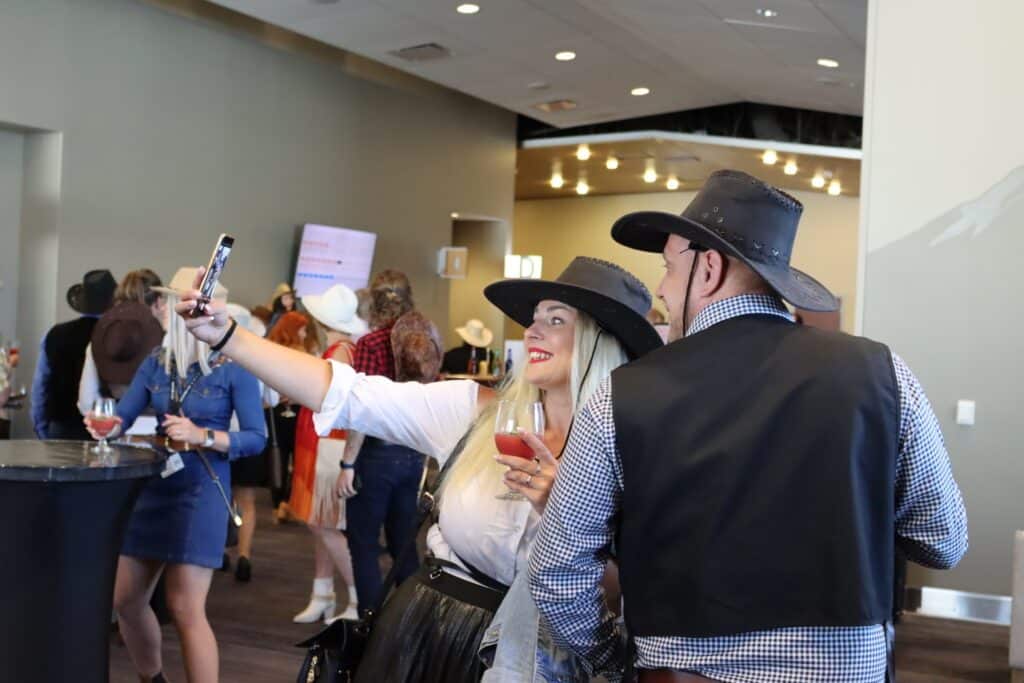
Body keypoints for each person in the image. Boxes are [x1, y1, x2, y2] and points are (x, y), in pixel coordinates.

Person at [529, 170, 970, 682]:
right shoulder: (884, 374)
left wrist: (616, 659)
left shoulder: (620, 396)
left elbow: (557, 574)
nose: (662, 289)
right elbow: (945, 541)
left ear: (709, 268)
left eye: (669, 267)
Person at [174, 256, 662, 683]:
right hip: (426, 632)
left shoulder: (637, 456)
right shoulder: (474, 412)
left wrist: (566, 515)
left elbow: (635, 590)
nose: (532, 331)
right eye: (534, 319)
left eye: (556, 320)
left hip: (538, 660)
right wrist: (230, 337)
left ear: (603, 340)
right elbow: (347, 393)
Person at [85, 267, 265, 683]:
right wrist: (106, 424)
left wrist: (204, 435)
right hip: (155, 487)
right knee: (124, 600)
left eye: (171, 302)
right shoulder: (155, 362)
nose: (163, 309)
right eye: (166, 301)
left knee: (185, 607)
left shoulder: (234, 366)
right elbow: (124, 416)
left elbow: (256, 438)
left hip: (201, 489)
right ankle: (154, 679)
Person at [336, 311, 441, 616]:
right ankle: (410, 619)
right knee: (404, 545)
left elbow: (362, 409)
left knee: (364, 543)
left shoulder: (371, 344)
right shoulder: (426, 338)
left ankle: (369, 624)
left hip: (376, 455)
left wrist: (347, 464)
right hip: (412, 455)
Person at [287, 284, 367, 624]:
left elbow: (330, 402)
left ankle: (358, 597)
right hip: (322, 443)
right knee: (321, 523)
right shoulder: (342, 349)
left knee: (326, 525)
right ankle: (323, 594)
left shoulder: (338, 353)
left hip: (327, 446)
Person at [78, 269, 167, 435]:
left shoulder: (100, 339)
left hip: (116, 428)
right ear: (158, 302)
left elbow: (86, 401)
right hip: (161, 432)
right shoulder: (168, 344)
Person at [32, 269, 117, 439]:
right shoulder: (117, 335)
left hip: (60, 427)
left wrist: (40, 426)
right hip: (103, 428)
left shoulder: (54, 334)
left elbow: (40, 386)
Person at [224, 303, 273, 582]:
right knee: (247, 500)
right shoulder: (258, 358)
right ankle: (244, 555)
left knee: (221, 496)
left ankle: (220, 551)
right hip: (253, 435)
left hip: (221, 437)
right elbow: (272, 400)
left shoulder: (212, 356)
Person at [264, 310, 311, 523]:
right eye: (303, 328)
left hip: (274, 410)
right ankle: (288, 503)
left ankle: (277, 504)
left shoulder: (271, 350)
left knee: (278, 456)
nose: (305, 333)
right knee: (296, 456)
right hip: (296, 410)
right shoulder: (301, 353)